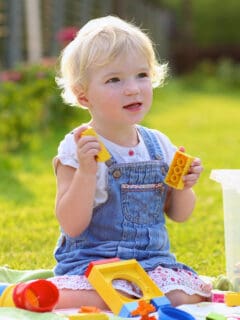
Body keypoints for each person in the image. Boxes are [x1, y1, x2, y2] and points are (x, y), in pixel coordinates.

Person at [50, 15, 212, 309]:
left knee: (188, 294)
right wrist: (87, 172)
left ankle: (134, 298)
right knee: (95, 293)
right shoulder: (78, 147)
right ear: (83, 95)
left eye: (141, 75)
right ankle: (114, 297)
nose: (133, 88)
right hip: (94, 263)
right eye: (114, 80)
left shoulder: (158, 145)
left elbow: (180, 214)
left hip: (151, 263)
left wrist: (184, 186)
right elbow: (72, 225)